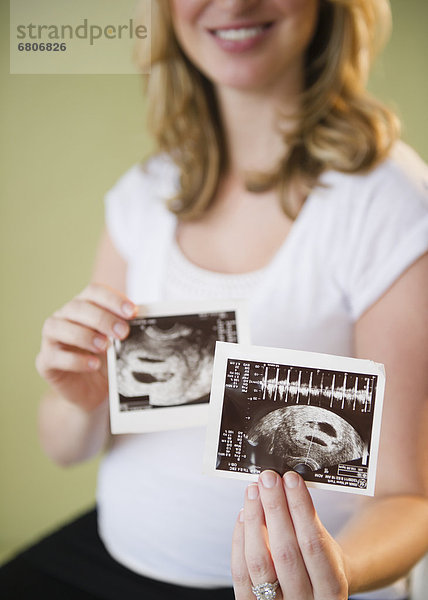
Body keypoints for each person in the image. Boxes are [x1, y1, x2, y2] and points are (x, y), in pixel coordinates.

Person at [1, 0, 428, 599]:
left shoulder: (390, 204)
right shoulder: (143, 195)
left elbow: (410, 497)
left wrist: (334, 572)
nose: (232, 3)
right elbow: (66, 448)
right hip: (113, 554)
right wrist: (82, 398)